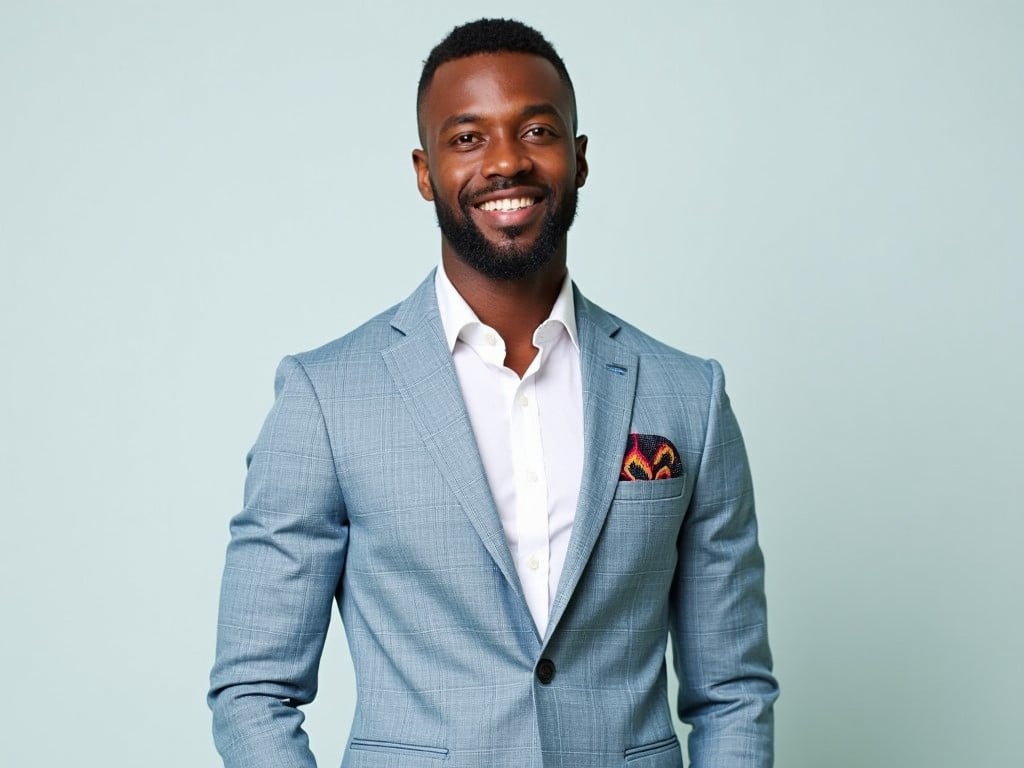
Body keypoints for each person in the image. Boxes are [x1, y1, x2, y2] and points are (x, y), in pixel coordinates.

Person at [209, 18, 778, 768]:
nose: (506, 161)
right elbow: (252, 690)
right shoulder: (326, 397)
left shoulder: (687, 394)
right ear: (424, 171)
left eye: (536, 130)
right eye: (468, 137)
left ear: (577, 160)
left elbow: (733, 690)